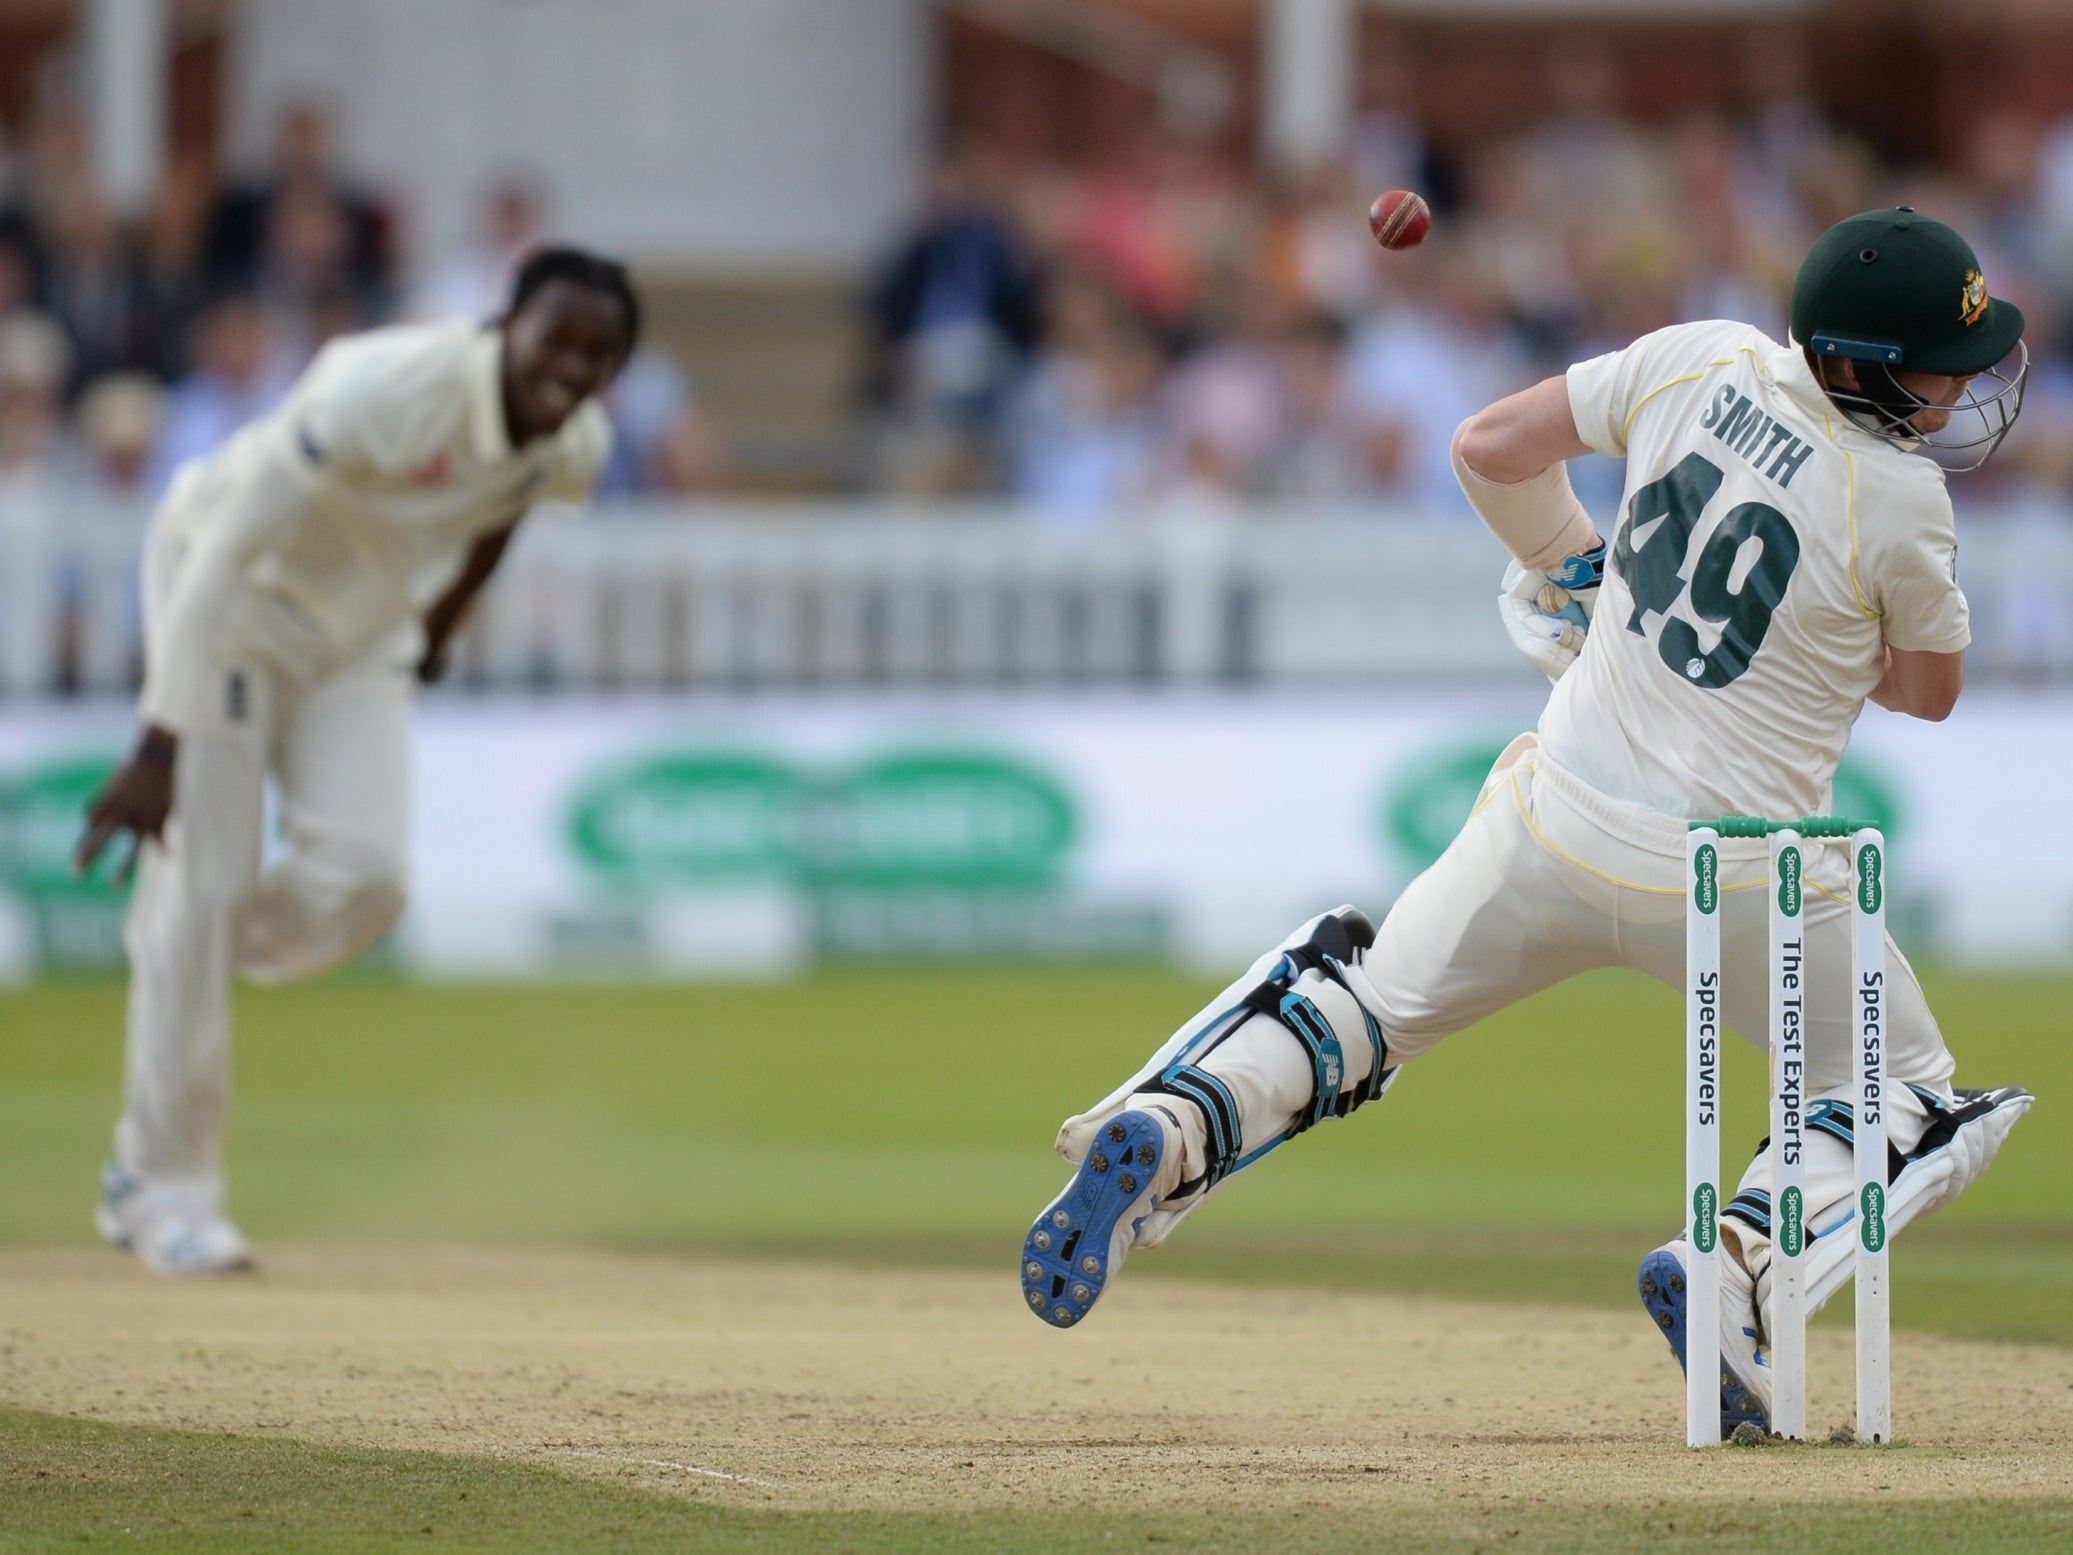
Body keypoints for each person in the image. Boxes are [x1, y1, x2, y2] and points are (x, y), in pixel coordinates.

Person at [1018, 209, 2034, 1440]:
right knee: (1904, 1086)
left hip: (1555, 817)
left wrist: (1579, 565)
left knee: (1370, 1009)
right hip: (1736, 880)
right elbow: (1930, 693)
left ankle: (1176, 1120)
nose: (1966, 384)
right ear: (1870, 364)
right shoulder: (1903, 496)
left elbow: (1488, 446)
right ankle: (1738, 1266)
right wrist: (1827, 630)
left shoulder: (1700, 353)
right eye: (1946, 360)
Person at [74, 247, 637, 1275]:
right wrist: (157, 741)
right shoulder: (378, 386)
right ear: (504, 325)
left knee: (365, 882)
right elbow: (224, 548)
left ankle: (192, 923)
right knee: (201, 890)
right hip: (235, 597)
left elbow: (511, 499)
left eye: (599, 355)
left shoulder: (578, 441)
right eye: (557, 336)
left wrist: (448, 615)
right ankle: (159, 1189)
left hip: (365, 627)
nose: (572, 365)